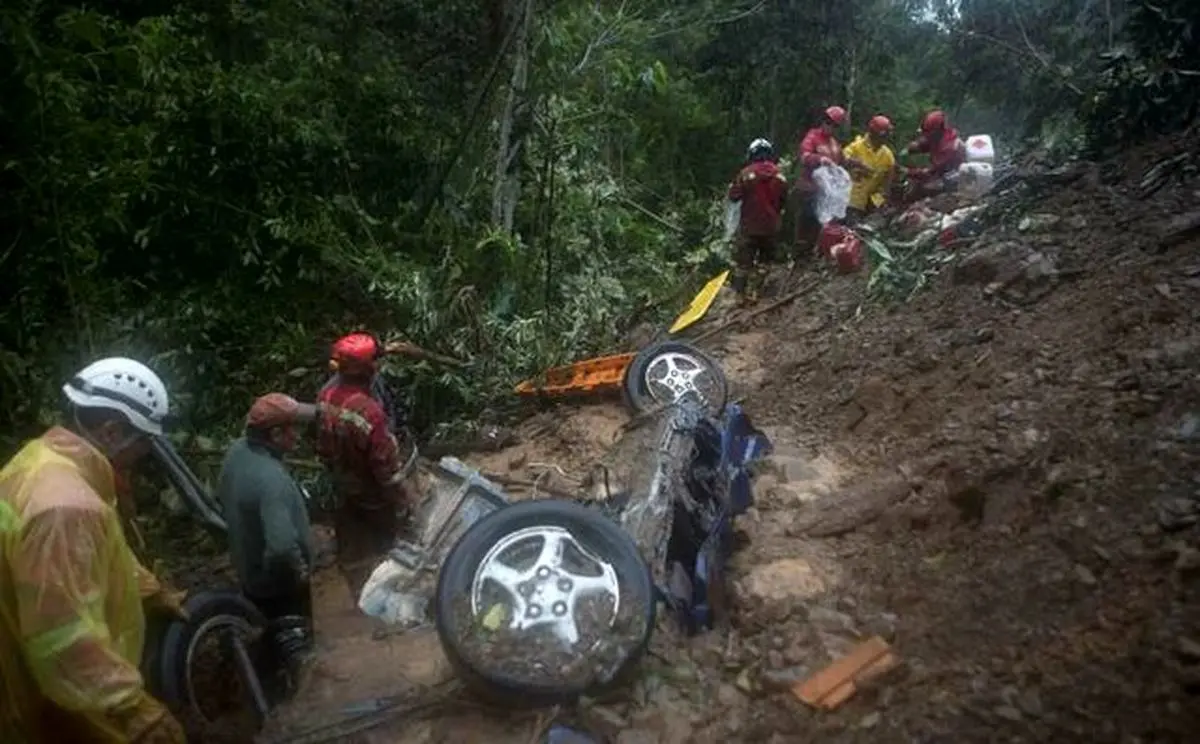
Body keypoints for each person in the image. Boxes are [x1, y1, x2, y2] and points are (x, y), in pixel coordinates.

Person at [0, 357, 186, 743]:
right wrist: (133, 708)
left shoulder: (42, 463)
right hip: (58, 701)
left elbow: (92, 556)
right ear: (112, 431)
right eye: (144, 442)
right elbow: (61, 638)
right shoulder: (65, 507)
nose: (144, 455)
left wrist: (150, 590)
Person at [216, 393, 318, 697]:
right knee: (296, 651)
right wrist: (299, 572)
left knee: (267, 644)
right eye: (292, 430)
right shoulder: (271, 479)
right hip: (280, 588)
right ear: (275, 435)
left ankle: (265, 689)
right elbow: (283, 546)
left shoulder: (236, 454)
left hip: (250, 575)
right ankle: (293, 707)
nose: (297, 436)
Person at [316, 332, 416, 598]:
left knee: (351, 544)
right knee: (387, 544)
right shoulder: (369, 413)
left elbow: (321, 444)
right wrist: (403, 500)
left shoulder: (326, 395)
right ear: (369, 368)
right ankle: (385, 601)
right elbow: (385, 469)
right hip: (371, 489)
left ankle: (358, 596)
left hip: (342, 483)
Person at [727, 138, 788, 297]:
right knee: (765, 262)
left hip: (749, 227)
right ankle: (755, 292)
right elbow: (783, 201)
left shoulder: (745, 174)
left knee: (743, 264)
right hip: (771, 227)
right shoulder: (780, 175)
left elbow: (733, 196)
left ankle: (739, 296)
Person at [793, 105, 848, 253]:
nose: (830, 127)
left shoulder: (835, 144)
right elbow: (804, 156)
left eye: (835, 125)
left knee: (825, 226)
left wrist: (857, 165)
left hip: (827, 194)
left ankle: (818, 254)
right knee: (807, 224)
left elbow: (842, 162)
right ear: (823, 121)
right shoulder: (812, 137)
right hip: (809, 188)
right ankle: (800, 255)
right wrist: (819, 159)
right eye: (828, 122)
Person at [901, 109, 966, 199]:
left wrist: (907, 171)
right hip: (941, 171)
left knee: (923, 188)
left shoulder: (948, 147)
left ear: (937, 131)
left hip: (949, 177)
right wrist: (910, 149)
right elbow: (925, 144)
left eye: (928, 133)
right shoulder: (940, 136)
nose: (926, 136)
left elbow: (930, 171)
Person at [842, 115, 898, 219]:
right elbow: (842, 159)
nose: (887, 137)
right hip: (849, 201)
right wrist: (858, 164)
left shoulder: (887, 155)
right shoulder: (856, 147)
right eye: (885, 134)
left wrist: (882, 200)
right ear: (876, 134)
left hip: (870, 205)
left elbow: (888, 183)